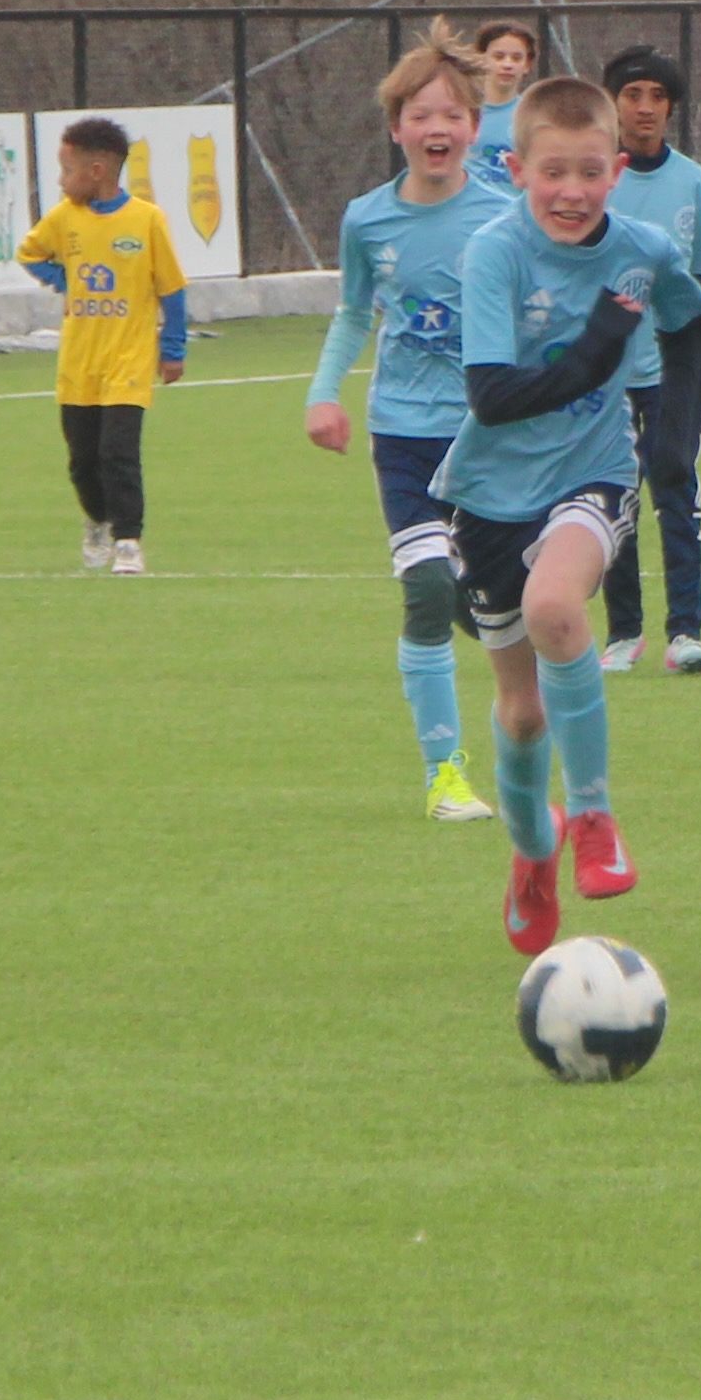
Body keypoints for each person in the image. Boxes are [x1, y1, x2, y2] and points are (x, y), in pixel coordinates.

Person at [451, 75, 701, 951]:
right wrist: (599, 350)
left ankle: (594, 817)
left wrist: (674, 442)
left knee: (559, 608)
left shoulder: (639, 249)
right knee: (521, 715)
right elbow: (491, 397)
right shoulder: (494, 252)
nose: (571, 192)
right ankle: (534, 852)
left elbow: (692, 326)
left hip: (591, 475)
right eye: (552, 172)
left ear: (617, 170)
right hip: (487, 497)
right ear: (518, 168)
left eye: (591, 172)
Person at [306, 45, 514, 821]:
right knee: (427, 589)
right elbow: (354, 313)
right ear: (396, 127)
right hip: (402, 435)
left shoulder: (502, 215)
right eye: (420, 115)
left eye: (451, 115)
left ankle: (515, 681)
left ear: (473, 125)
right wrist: (324, 396)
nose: (437, 127)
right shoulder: (367, 218)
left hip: (488, 437)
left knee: (494, 603)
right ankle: (444, 776)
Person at [595, 46, 701, 671]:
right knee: (615, 496)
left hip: (674, 365)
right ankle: (623, 634)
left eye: (656, 97)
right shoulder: (596, 176)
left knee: (676, 485)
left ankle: (686, 632)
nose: (644, 109)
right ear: (613, 104)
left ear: (671, 107)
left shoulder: (694, 182)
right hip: (606, 368)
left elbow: (699, 280)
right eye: (632, 96)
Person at [17, 114, 189, 576]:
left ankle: (128, 541)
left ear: (96, 171)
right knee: (82, 461)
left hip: (128, 361)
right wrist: (65, 280)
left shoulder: (146, 221)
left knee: (119, 455)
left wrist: (173, 349)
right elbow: (29, 253)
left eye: (66, 170)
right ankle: (96, 519)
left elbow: (171, 289)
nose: (61, 180)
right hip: (79, 364)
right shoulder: (63, 218)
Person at [458, 18, 542, 187]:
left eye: (516, 58)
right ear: (482, 59)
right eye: (499, 56)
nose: (507, 65)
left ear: (527, 65)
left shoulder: (533, 115)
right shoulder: (459, 111)